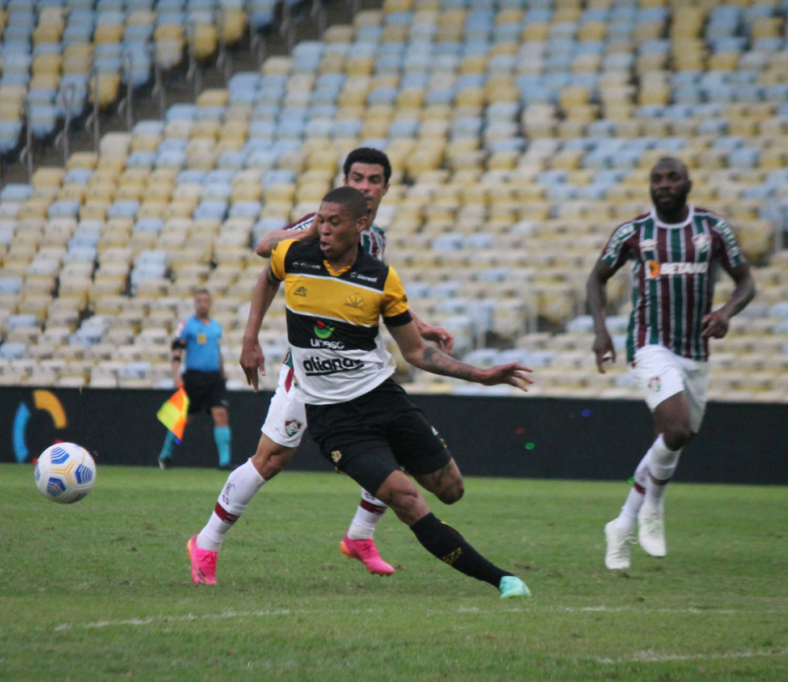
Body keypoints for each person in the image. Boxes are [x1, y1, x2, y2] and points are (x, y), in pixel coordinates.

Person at [188, 187, 533, 598]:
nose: (324, 230)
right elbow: (267, 274)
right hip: (334, 416)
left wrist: (482, 376)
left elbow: (415, 352)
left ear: (361, 224)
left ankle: (359, 536)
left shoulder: (380, 277)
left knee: (451, 490)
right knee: (405, 498)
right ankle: (501, 579)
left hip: (383, 398)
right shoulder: (294, 255)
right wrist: (251, 338)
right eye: (321, 221)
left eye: (334, 223)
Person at [191, 148, 453, 578]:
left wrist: (418, 325)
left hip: (358, 374)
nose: (365, 186)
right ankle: (205, 542)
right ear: (345, 181)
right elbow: (264, 249)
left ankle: (360, 536)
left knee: (393, 451)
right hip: (309, 371)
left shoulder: (374, 238)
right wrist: (250, 337)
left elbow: (376, 296)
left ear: (386, 188)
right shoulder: (323, 225)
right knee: (271, 459)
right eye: (357, 178)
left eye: (373, 180)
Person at [589, 157, 756, 570]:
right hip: (649, 343)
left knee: (674, 439)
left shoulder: (713, 229)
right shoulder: (634, 232)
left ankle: (622, 523)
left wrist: (726, 312)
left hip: (695, 352)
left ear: (688, 184)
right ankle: (653, 508)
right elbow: (596, 277)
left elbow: (746, 282)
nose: (664, 184)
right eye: (657, 179)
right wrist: (601, 330)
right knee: (676, 429)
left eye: (672, 178)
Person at [159, 289, 231, 469]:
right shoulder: (187, 325)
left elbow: (217, 350)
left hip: (214, 378)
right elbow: (177, 351)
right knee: (184, 419)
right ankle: (166, 453)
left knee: (221, 414)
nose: (202, 304)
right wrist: (176, 375)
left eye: (206, 301)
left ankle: (224, 462)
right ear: (195, 303)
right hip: (194, 378)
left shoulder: (216, 327)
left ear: (210, 303)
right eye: (199, 301)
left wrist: (222, 371)